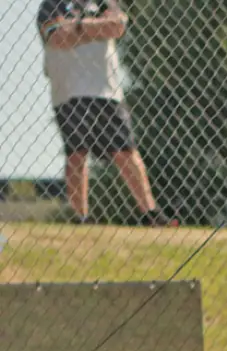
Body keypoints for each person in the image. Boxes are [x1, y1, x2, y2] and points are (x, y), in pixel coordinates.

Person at [36, 0, 177, 226]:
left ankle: (150, 213)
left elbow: (118, 25)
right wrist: (98, 28)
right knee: (77, 153)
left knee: (126, 150)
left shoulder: (103, 1)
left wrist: (78, 27)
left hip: (107, 90)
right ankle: (80, 216)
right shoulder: (52, 5)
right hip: (70, 90)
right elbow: (57, 38)